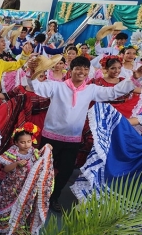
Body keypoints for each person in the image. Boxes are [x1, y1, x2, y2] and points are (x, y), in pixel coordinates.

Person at [26, 55, 142, 212]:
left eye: (86, 69)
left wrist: (134, 78)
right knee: (44, 168)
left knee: (66, 171)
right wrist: (32, 71)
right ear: (71, 70)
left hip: (73, 139)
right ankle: (36, 197)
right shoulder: (57, 86)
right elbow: (35, 87)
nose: (82, 72)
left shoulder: (91, 89)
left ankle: (54, 198)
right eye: (78, 68)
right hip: (51, 136)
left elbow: (113, 92)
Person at [0, 124, 54, 235]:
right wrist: (16, 164)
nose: (26, 145)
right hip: (12, 186)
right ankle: (5, 230)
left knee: (22, 207)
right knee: (8, 206)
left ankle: (16, 230)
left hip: (26, 187)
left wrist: (47, 148)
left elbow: (42, 159)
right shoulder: (12, 153)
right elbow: (5, 169)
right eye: (23, 142)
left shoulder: (34, 152)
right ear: (16, 142)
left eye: (29, 141)